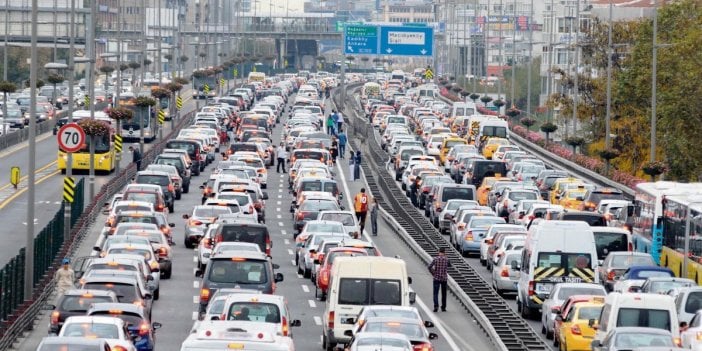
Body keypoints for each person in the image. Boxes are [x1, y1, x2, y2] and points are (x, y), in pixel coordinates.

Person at [428, 247, 450, 312]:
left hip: (436, 278)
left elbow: (429, 267)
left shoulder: (435, 259)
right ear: (444, 252)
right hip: (444, 279)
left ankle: (436, 306)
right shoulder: (447, 259)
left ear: (439, 251)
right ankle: (443, 307)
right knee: (444, 294)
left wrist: (433, 273)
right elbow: (449, 265)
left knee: (435, 293)